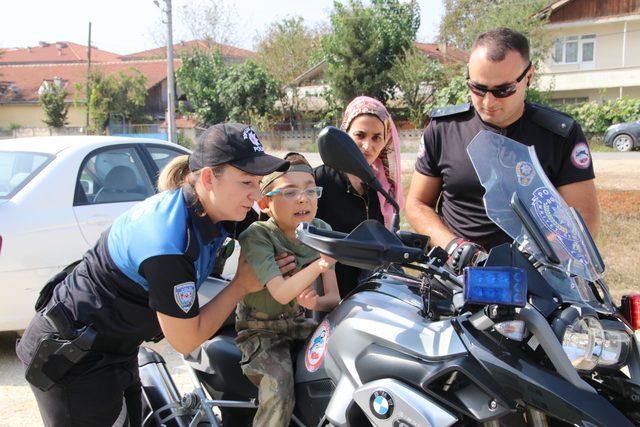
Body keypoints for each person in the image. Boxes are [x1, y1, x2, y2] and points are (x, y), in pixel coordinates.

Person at [15, 123, 289, 427]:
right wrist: (240, 285)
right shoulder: (168, 242)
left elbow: (277, 227)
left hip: (114, 346)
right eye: (247, 182)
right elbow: (186, 340)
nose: (256, 194)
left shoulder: (216, 207)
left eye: (259, 182)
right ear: (209, 178)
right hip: (72, 358)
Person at [406, 27, 600, 273]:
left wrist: (536, 259)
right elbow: (418, 203)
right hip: (456, 273)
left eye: (503, 90)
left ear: (528, 76)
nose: (489, 102)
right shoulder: (444, 129)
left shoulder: (559, 135)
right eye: (478, 88)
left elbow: (585, 219)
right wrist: (454, 247)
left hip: (536, 277)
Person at [235, 152, 340, 427]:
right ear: (264, 202)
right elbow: (281, 293)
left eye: (309, 190)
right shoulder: (258, 235)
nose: (303, 199)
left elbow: (333, 299)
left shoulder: (321, 229)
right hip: (260, 331)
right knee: (279, 389)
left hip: (299, 323)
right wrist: (319, 266)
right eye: (290, 192)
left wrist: (313, 304)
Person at [314, 96, 404, 296]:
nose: (367, 146)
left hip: (367, 298)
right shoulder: (318, 180)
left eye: (376, 137)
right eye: (360, 135)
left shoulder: (379, 187)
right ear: (344, 134)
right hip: (324, 296)